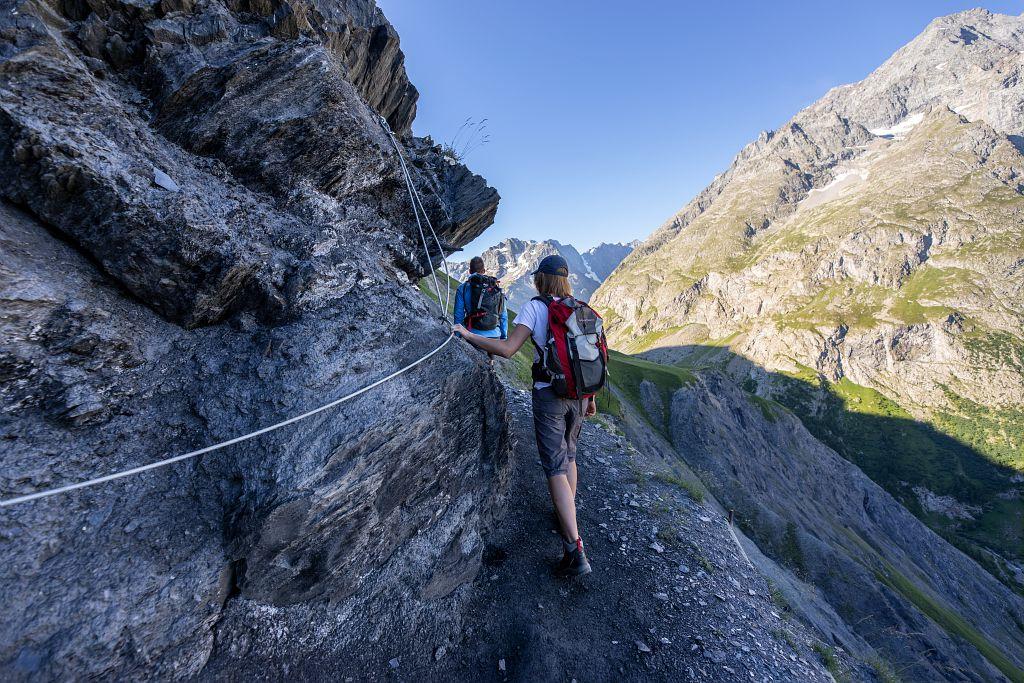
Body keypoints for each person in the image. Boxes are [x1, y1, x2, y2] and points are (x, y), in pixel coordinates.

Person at [453, 254, 595, 576]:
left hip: (550, 395)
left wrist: (468, 335)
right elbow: (586, 354)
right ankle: (565, 516)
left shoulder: (536, 307)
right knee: (570, 457)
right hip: (578, 395)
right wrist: (590, 398)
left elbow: (506, 349)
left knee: (555, 468)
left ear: (541, 278)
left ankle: (575, 551)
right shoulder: (578, 305)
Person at [453, 256, 507, 340]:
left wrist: (457, 335)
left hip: (473, 335)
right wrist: (503, 336)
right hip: (495, 335)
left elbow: (458, 314)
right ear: (484, 271)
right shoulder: (494, 287)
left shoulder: (462, 288)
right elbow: (503, 315)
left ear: (470, 271)